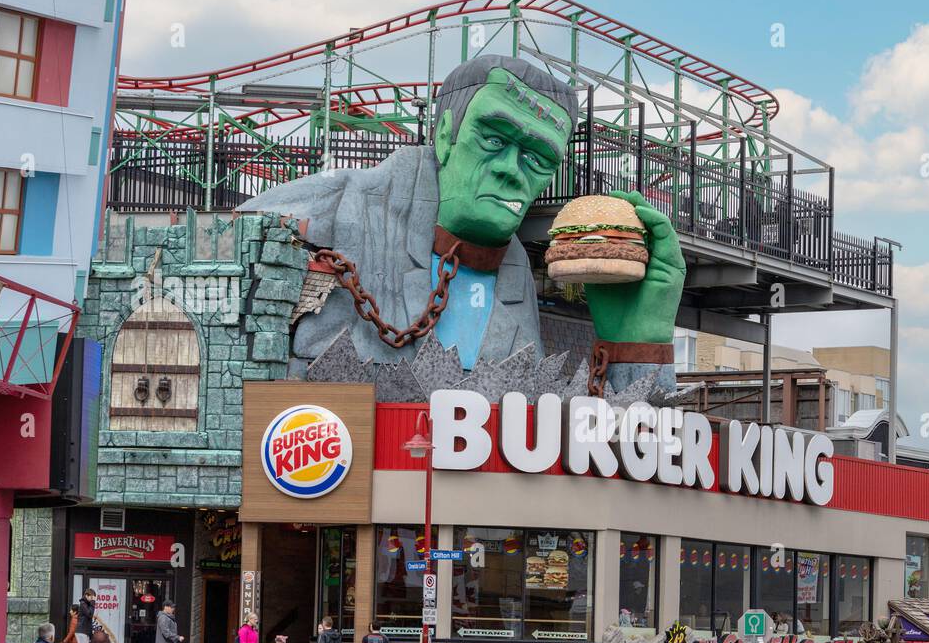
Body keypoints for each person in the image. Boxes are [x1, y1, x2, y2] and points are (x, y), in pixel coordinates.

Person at [241, 56, 682, 396]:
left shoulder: (514, 275)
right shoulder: (314, 212)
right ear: (445, 135)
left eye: (538, 158)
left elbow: (610, 462)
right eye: (493, 139)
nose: (511, 169)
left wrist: (636, 343)